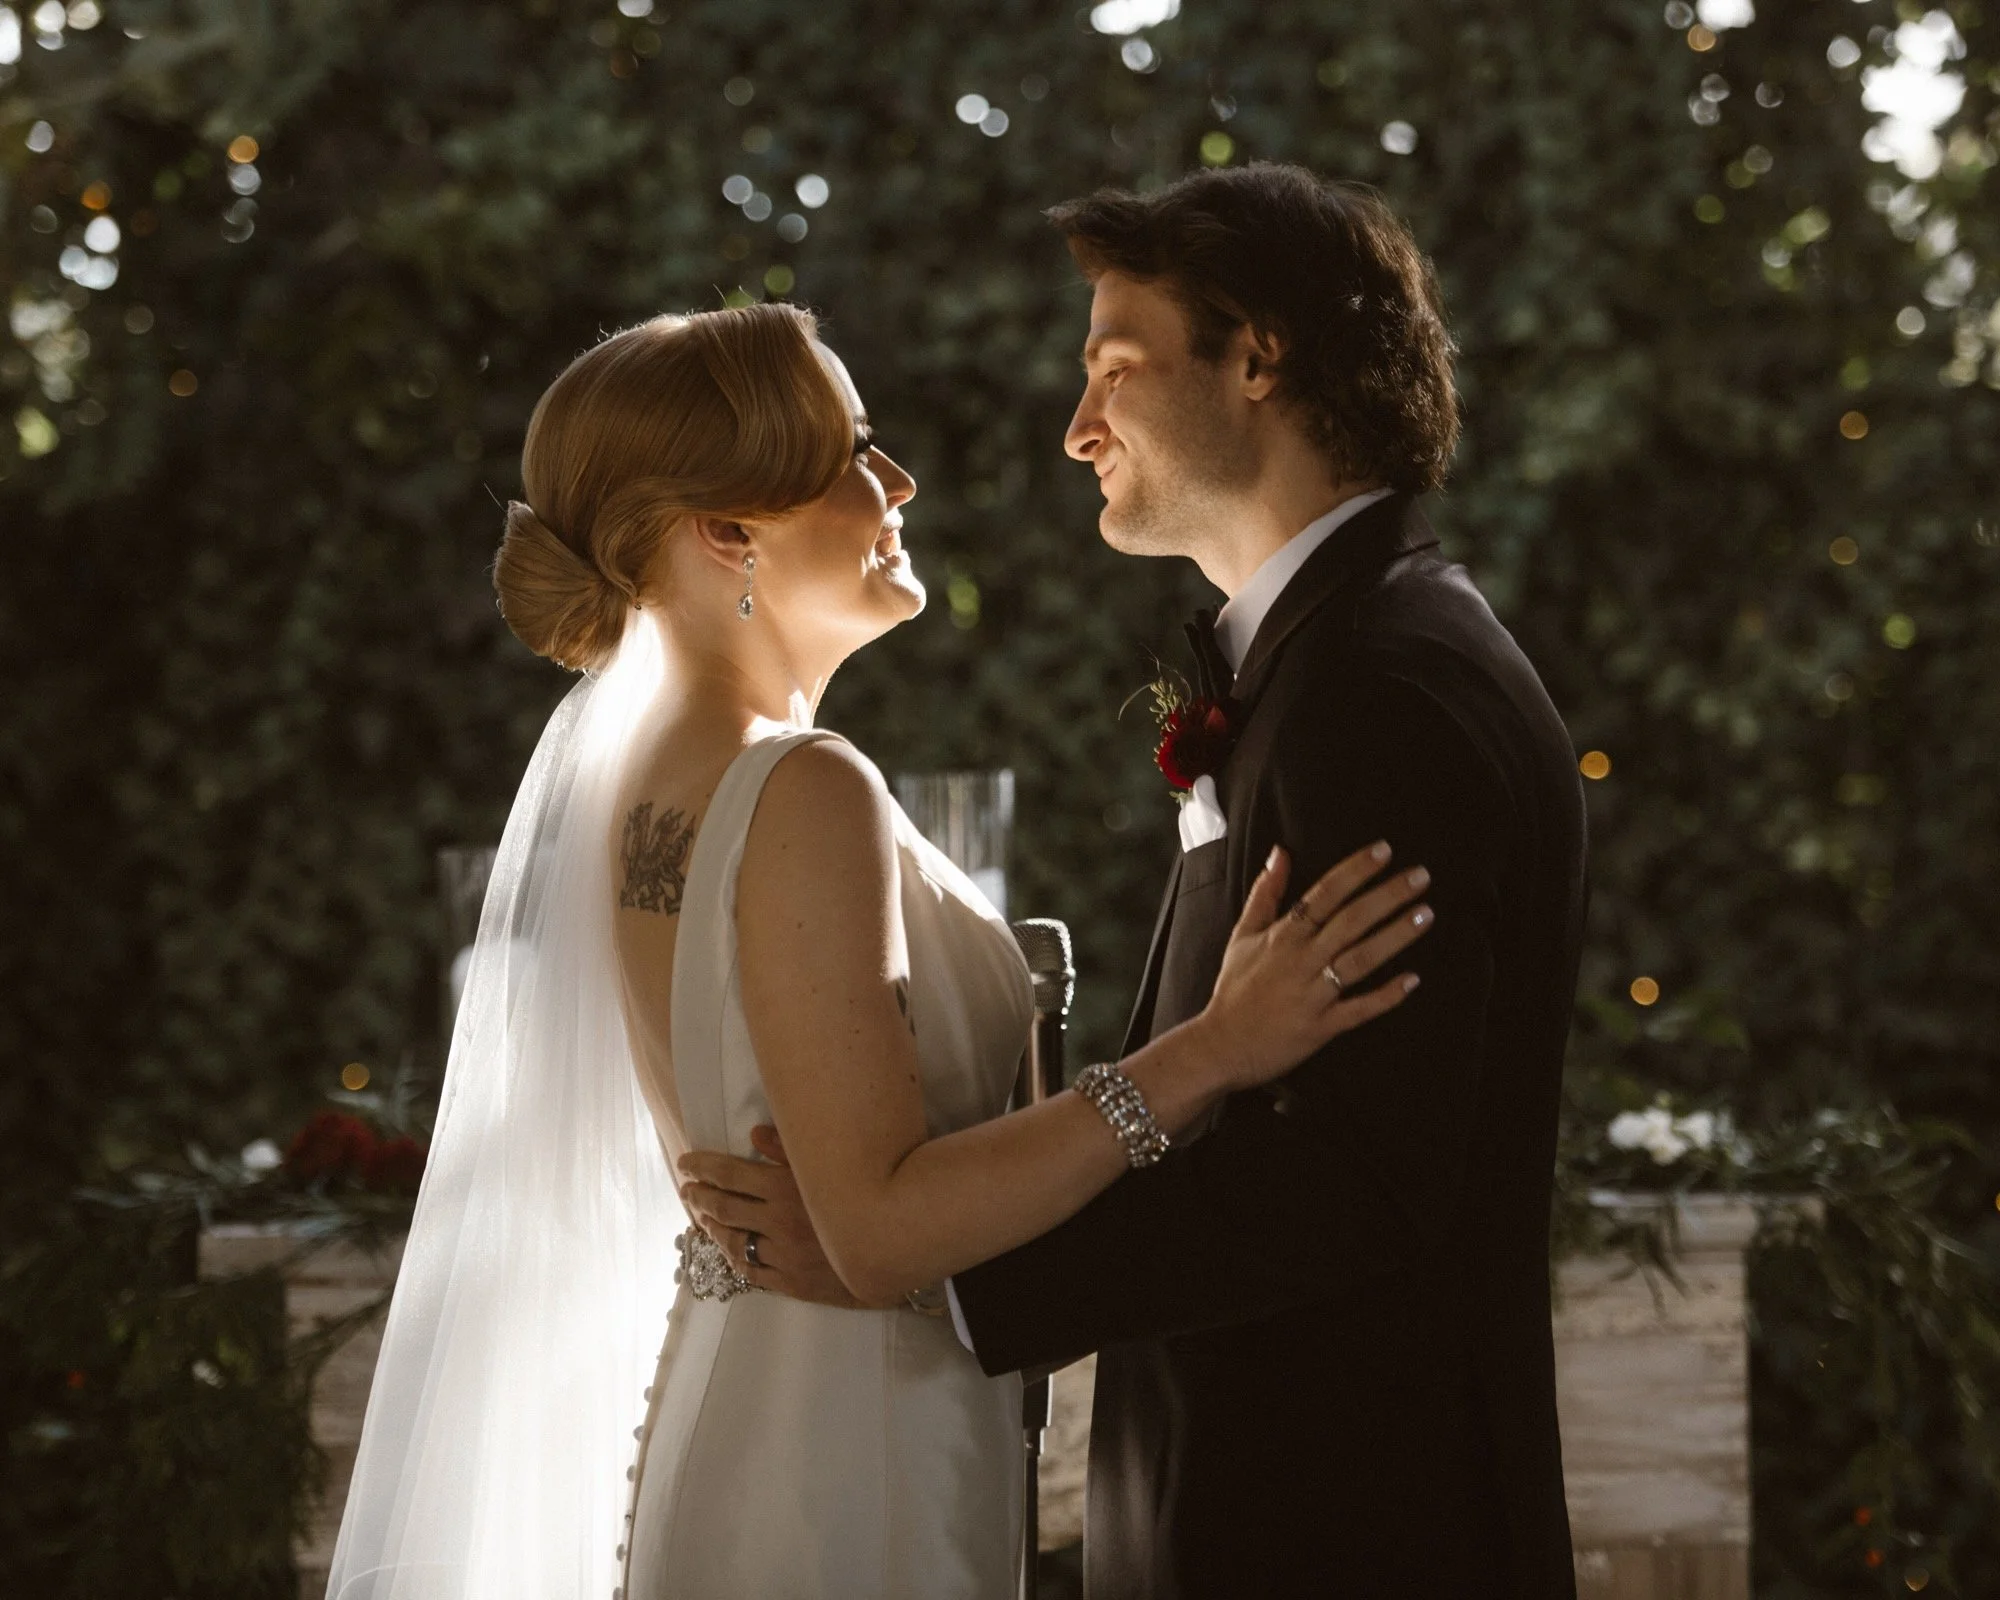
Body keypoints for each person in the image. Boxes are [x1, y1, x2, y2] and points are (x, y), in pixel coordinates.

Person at [323, 300, 1433, 1600]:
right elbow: (883, 1235)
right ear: (727, 530)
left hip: (752, 1421)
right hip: (843, 1465)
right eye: (853, 451)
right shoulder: (801, 789)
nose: (898, 479)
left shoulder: (649, 790)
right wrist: (1210, 1055)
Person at [680, 166, 1590, 1598]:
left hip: (1346, 1528)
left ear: (1258, 358)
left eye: (1116, 369)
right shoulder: (1329, 664)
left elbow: (1351, 1177)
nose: (1076, 428)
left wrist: (931, 1262)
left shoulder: (1388, 691)